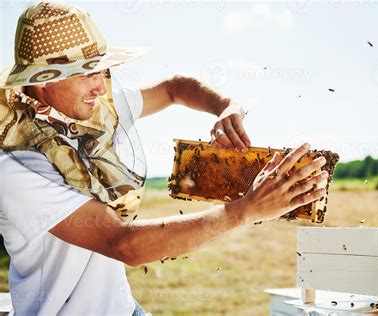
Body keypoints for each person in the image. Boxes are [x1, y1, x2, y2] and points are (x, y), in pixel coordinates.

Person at [0, 2, 328, 315]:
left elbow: (174, 87)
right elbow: (122, 243)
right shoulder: (15, 167)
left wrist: (226, 106)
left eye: (101, 70)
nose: (101, 88)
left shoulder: (95, 112)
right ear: (44, 79)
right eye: (86, 74)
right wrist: (244, 211)